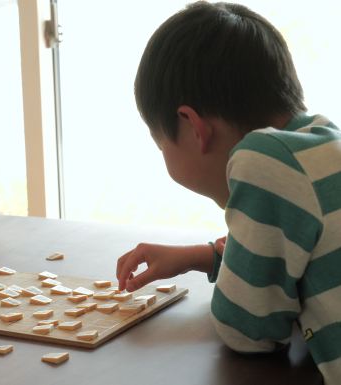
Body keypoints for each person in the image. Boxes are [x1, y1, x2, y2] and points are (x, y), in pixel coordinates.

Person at [115, 2, 340, 383]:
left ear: (192, 125)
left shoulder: (264, 159)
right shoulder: (321, 139)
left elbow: (249, 329)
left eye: (160, 142)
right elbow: (290, 262)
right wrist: (206, 257)